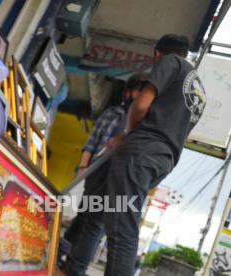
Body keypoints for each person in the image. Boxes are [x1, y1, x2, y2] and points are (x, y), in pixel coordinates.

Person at [64, 34, 206, 276]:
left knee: (121, 227)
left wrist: (126, 135)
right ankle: (71, 268)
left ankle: (73, 267)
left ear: (157, 54)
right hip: (163, 160)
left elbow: (141, 105)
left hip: (140, 154)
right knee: (106, 216)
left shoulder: (170, 62)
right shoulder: (198, 89)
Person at [64, 74, 143, 245]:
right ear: (129, 92)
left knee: (95, 224)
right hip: (95, 172)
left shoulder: (144, 125)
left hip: (116, 181)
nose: (141, 97)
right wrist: (83, 167)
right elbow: (92, 142)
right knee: (83, 214)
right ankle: (65, 252)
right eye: (138, 91)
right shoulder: (114, 113)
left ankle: (74, 263)